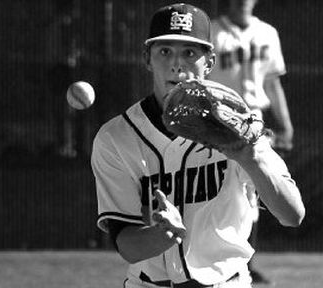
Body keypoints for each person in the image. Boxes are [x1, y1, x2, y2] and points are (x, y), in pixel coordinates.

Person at [91, 3, 305, 288]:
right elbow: (126, 244)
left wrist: (250, 158)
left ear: (210, 62)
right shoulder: (116, 138)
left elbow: (292, 215)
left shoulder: (238, 125)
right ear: (147, 58)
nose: (177, 64)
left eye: (190, 53)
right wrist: (162, 235)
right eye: (165, 51)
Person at [207, 0, 294, 283]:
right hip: (218, 120)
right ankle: (214, 255)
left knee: (254, 190)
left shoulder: (267, 32)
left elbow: (272, 83)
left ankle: (245, 260)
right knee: (223, 189)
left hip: (254, 120)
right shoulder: (212, 32)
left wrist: (285, 123)